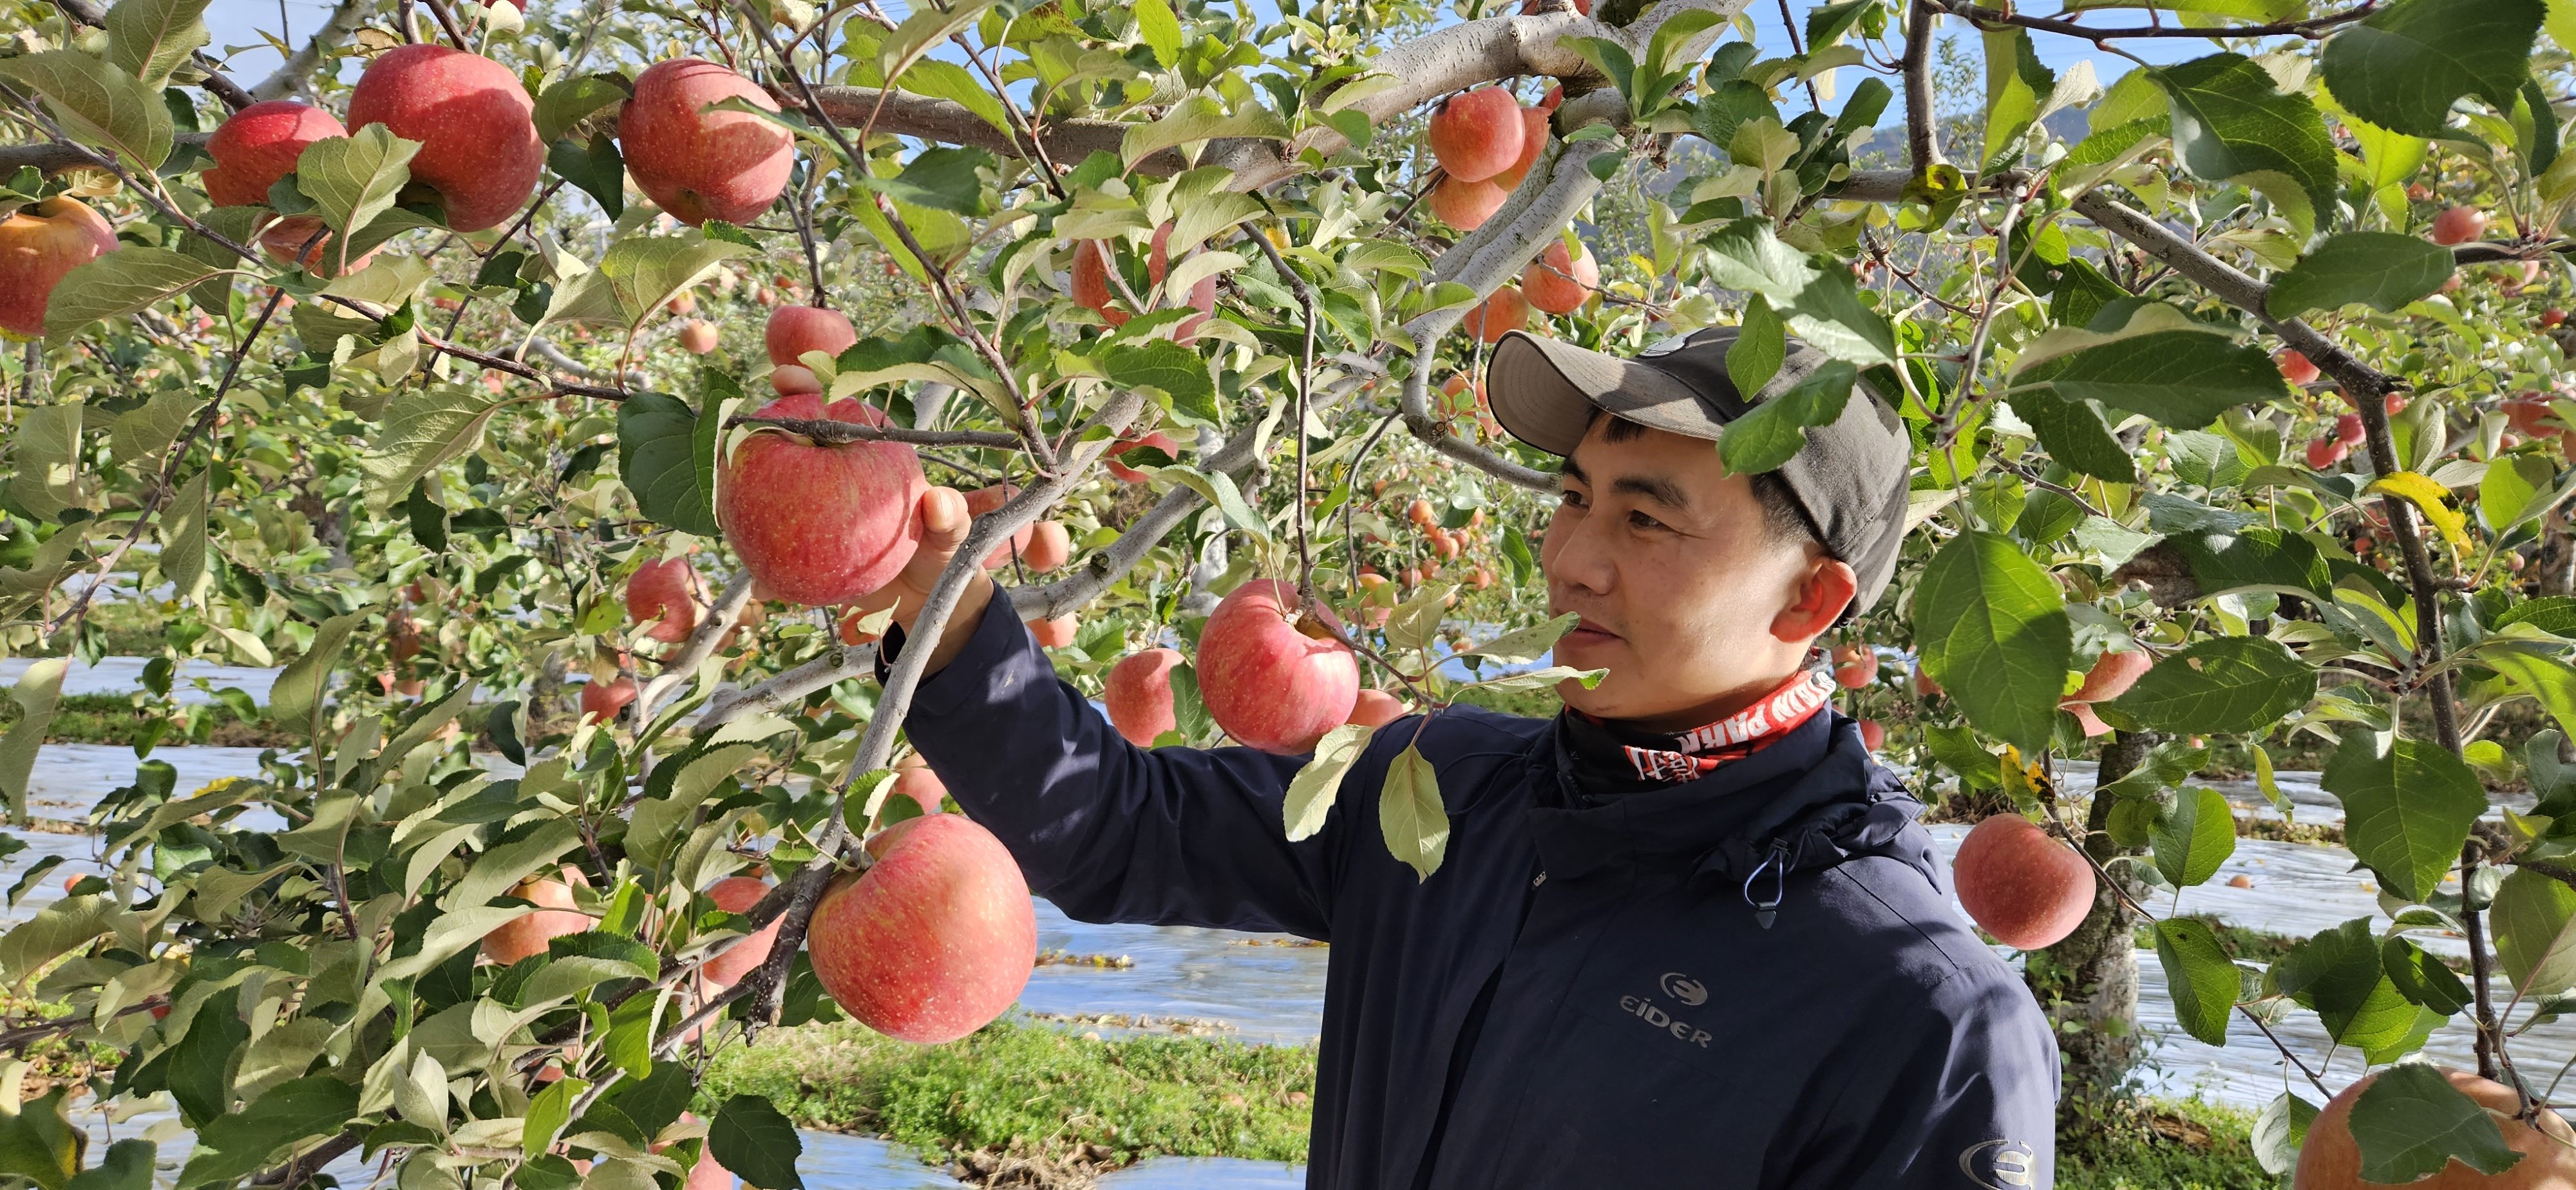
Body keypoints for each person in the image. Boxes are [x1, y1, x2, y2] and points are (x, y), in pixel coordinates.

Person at [869, 326, 2060, 1189]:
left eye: (1646, 519)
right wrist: (960, 632)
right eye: (1573, 497)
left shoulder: (1922, 1018)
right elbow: (1120, 828)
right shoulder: (1437, 792)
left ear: (1813, 600)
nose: (1574, 559)